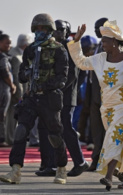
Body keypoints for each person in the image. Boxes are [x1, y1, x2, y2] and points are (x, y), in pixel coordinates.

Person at [67, 20, 123, 190]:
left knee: (113, 137)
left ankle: (109, 176)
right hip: (107, 109)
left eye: (105, 41)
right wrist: (77, 41)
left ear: (115, 42)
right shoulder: (99, 59)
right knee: (121, 140)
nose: (102, 44)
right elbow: (81, 63)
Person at [0, 13, 68, 184]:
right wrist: (27, 74)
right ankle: (15, 170)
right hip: (31, 98)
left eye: (43, 28)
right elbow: (21, 74)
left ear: (49, 30)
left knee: (54, 135)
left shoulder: (59, 49)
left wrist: (44, 85)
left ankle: (61, 169)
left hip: (49, 98)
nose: (39, 32)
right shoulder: (30, 49)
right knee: (20, 131)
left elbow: (62, 78)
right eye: (36, 29)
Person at [35, 19, 89, 177]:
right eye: (55, 29)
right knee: (51, 130)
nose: (57, 32)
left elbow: (72, 74)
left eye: (61, 29)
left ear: (67, 31)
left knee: (66, 129)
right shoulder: (51, 46)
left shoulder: (70, 47)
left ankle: (80, 162)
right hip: (51, 96)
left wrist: (56, 88)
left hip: (65, 97)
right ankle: (52, 165)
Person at [85, 17, 108, 171]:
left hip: (107, 95)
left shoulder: (114, 47)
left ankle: (106, 163)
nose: (94, 30)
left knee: (107, 131)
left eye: (97, 27)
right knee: (96, 130)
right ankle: (96, 160)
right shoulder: (99, 46)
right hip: (94, 94)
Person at [5, 34, 32, 146]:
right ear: (26, 44)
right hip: (15, 93)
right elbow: (17, 78)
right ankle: (11, 139)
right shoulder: (16, 57)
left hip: (13, 91)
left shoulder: (15, 54)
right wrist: (20, 95)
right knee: (12, 117)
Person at [0, 34, 16, 146]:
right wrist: (12, 85)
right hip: (3, 89)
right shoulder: (3, 57)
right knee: (2, 114)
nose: (9, 45)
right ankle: (1, 139)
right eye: (7, 43)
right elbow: (5, 72)